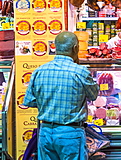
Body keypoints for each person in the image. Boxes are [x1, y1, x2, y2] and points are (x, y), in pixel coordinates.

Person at [23, 31, 99, 160]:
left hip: (45, 132)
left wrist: (49, 104)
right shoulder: (80, 72)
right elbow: (94, 95)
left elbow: (29, 101)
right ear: (75, 48)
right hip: (70, 134)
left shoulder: (39, 71)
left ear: (55, 47)